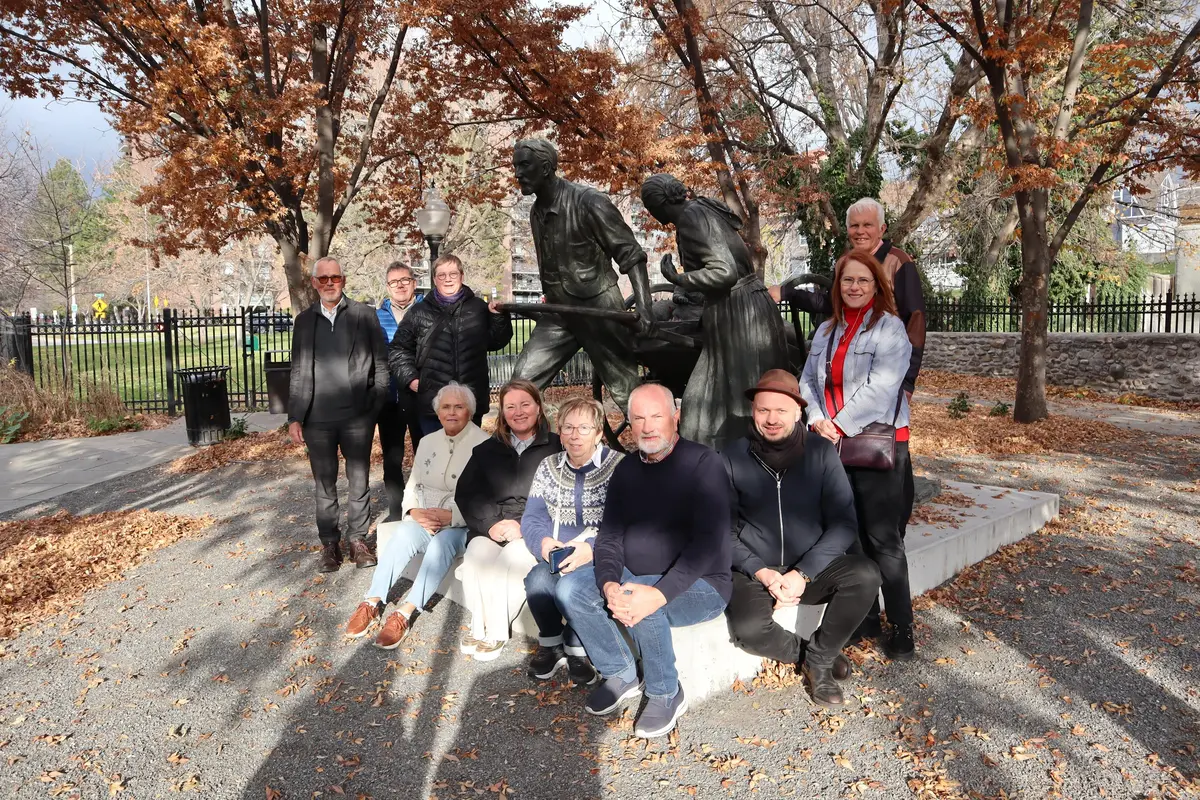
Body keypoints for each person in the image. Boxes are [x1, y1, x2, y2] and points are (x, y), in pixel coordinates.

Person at [557, 384, 730, 739]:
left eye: (657, 416)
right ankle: (620, 671)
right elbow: (609, 537)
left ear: (675, 417)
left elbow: (708, 544)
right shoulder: (627, 470)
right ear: (629, 423)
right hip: (634, 575)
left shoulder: (703, 462)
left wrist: (660, 593)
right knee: (571, 588)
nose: (648, 426)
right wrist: (607, 581)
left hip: (702, 584)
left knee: (641, 600)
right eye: (639, 418)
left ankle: (666, 691)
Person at [723, 369, 882, 707]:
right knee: (748, 630)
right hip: (756, 569)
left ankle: (821, 661)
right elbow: (722, 530)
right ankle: (810, 656)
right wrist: (762, 572)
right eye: (763, 409)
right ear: (753, 411)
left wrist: (803, 573)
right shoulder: (731, 458)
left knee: (866, 574)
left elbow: (843, 523)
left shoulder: (821, 453)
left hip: (810, 568)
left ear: (798, 412)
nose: (771, 419)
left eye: (781, 410)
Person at [799, 249, 916, 660]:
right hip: (832, 445)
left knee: (884, 541)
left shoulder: (890, 329)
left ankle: (902, 627)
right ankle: (866, 618)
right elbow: (806, 381)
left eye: (863, 281)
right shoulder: (826, 330)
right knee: (850, 540)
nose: (854, 287)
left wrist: (839, 424)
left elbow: (882, 389)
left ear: (876, 286)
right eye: (847, 280)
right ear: (838, 286)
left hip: (877, 446)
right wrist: (816, 419)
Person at [641, 174, 789, 451]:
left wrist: (680, 278)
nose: (649, 212)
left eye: (648, 204)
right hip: (744, 308)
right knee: (722, 400)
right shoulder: (702, 209)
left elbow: (723, 272)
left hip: (738, 314)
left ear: (658, 202)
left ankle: (720, 466)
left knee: (715, 403)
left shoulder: (690, 218)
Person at [510, 138, 655, 414]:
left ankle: (658, 450)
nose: (517, 173)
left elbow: (631, 255)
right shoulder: (535, 212)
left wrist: (645, 307)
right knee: (521, 386)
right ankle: (525, 449)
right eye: (515, 166)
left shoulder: (589, 202)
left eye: (524, 165)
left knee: (629, 395)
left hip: (599, 310)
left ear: (545, 167)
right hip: (558, 314)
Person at [342, 383, 489, 647]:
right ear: (438, 411)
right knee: (403, 535)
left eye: (459, 407)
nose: (452, 412)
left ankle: (405, 612)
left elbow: (487, 499)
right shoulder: (428, 441)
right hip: (426, 517)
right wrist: (414, 511)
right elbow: (413, 483)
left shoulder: (485, 445)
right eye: (446, 407)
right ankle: (372, 601)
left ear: (470, 411)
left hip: (461, 524)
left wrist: (451, 517)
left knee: (442, 545)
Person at [287, 257, 389, 573]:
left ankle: (358, 540)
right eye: (323, 279)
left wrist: (374, 408)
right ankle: (330, 544)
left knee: (359, 482)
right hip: (318, 419)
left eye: (335, 278)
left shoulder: (364, 315)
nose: (329, 283)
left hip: (357, 416)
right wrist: (295, 416)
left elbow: (381, 366)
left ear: (343, 280)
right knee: (325, 485)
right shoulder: (304, 321)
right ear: (315, 283)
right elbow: (299, 369)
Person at [520, 397, 624, 685]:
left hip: (601, 554)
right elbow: (532, 517)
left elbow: (627, 524)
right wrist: (542, 543)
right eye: (568, 428)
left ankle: (577, 647)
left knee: (570, 589)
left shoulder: (620, 467)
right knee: (537, 582)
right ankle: (551, 643)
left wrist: (591, 550)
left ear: (600, 432)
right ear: (559, 430)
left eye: (584, 428)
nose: (575, 435)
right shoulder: (549, 466)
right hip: (559, 552)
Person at [456, 380, 561, 661]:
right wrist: (491, 523)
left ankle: (496, 632)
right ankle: (478, 626)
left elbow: (562, 498)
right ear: (502, 412)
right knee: (477, 553)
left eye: (525, 404)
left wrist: (524, 526)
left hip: (534, 528)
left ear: (538, 407)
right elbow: (467, 493)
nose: (518, 412)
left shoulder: (557, 448)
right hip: (495, 526)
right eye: (510, 406)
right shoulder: (487, 450)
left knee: (514, 555)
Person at [388, 254, 513, 434]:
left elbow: (496, 341)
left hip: (470, 400)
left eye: (453, 274)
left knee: (468, 458)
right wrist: (412, 380)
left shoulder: (478, 308)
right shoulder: (418, 312)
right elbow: (398, 349)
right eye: (442, 275)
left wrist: (498, 318)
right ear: (434, 279)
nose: (447, 279)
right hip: (434, 403)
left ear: (461, 277)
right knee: (437, 457)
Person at [375, 261, 424, 520]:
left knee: (425, 454)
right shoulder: (376, 316)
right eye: (394, 282)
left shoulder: (428, 310)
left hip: (421, 396)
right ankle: (396, 511)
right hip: (390, 398)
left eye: (405, 280)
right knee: (392, 459)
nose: (400, 286)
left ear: (413, 283)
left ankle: (423, 507)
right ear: (388, 287)